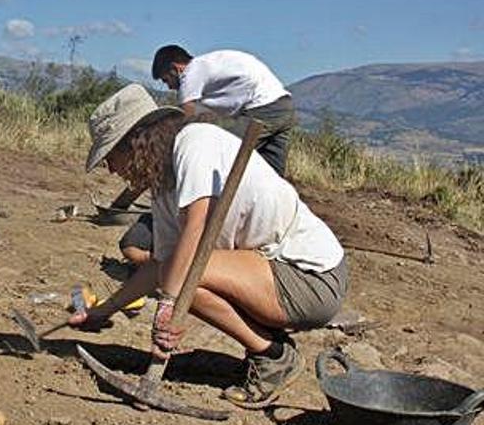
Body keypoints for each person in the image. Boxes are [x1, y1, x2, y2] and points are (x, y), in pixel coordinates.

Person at [71, 84, 347, 408]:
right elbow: (160, 267)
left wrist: (168, 308)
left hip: (309, 279)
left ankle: (274, 358)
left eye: (111, 155)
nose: (111, 168)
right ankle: (273, 352)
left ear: (135, 141)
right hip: (267, 274)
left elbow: (194, 230)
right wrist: (104, 310)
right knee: (175, 270)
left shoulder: (194, 143)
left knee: (183, 272)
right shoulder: (164, 189)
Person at [152, 44, 296, 177]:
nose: (169, 87)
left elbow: (185, 118)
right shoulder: (209, 65)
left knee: (220, 156)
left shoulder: (191, 71)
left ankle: (207, 201)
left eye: (166, 80)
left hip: (263, 108)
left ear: (175, 68)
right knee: (271, 174)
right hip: (284, 105)